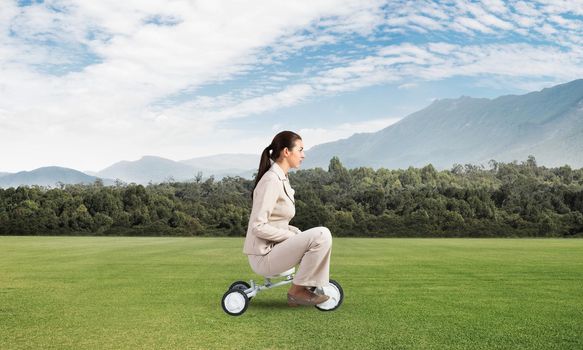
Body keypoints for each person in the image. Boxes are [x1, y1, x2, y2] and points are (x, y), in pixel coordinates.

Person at [243, 130, 333, 307]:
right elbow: (258, 226)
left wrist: (295, 232)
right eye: (300, 150)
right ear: (286, 152)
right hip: (264, 256)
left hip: (274, 250)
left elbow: (277, 222)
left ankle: (309, 285)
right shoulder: (271, 180)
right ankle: (297, 291)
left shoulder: (282, 178)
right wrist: (291, 237)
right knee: (322, 234)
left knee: (318, 235)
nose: (303, 155)